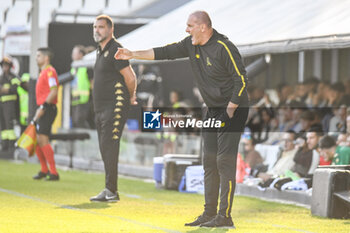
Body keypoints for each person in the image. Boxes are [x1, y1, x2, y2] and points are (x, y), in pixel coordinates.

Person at [115, 11, 249, 228]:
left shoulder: (224, 47)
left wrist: (230, 109)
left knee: (224, 162)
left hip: (233, 109)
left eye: (190, 26)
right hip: (213, 110)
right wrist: (132, 54)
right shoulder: (190, 44)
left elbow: (241, 80)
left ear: (203, 27)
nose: (186, 30)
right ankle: (209, 213)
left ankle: (225, 217)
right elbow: (164, 52)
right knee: (209, 162)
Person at [89, 15, 137, 202]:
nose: (97, 30)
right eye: (94, 27)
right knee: (104, 147)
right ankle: (110, 190)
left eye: (100, 27)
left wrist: (131, 96)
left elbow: (130, 77)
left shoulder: (116, 49)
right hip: (100, 108)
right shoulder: (100, 51)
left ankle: (111, 190)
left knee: (109, 146)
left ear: (110, 29)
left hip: (114, 106)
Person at [32, 48, 60, 181]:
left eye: (38, 56)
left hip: (47, 108)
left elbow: (54, 91)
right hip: (43, 107)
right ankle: (44, 170)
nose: (36, 58)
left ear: (46, 58)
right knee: (37, 140)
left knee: (43, 139)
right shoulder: (43, 72)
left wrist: (43, 106)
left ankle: (53, 172)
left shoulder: (50, 71)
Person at [0, 56, 20, 151]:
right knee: (3, 125)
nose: (5, 67)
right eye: (3, 65)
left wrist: (5, 89)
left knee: (9, 125)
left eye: (7, 65)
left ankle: (12, 146)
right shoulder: (1, 77)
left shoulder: (13, 77)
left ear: (10, 66)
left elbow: (14, 89)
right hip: (2, 104)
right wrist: (5, 89)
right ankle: (4, 146)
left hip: (10, 105)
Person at [70, 45, 93, 128]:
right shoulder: (74, 68)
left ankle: (86, 137)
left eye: (74, 53)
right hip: (75, 99)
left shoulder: (86, 67)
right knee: (75, 121)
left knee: (79, 120)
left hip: (84, 99)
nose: (72, 55)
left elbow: (92, 82)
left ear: (80, 54)